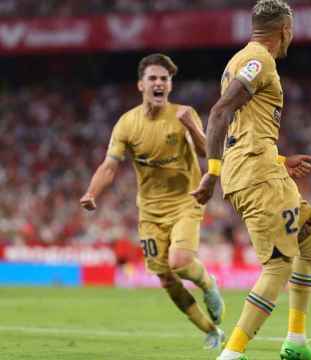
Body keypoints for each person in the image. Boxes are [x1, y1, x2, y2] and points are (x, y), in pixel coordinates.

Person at [190, 1, 311, 359]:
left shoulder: (237, 61)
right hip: (257, 175)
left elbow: (241, 130)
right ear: (284, 28)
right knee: (279, 263)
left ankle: (295, 341)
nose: (292, 36)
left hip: (264, 167)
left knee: (310, 244)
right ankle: (231, 355)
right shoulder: (259, 61)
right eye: (291, 29)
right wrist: (211, 171)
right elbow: (221, 112)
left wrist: (280, 158)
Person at [80, 54, 225, 350]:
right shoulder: (127, 124)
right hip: (149, 211)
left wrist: (193, 128)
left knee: (180, 262)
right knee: (167, 279)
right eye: (153, 79)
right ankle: (211, 331)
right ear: (140, 85)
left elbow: (207, 152)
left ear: (170, 85)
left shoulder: (184, 113)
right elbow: (110, 165)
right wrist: (92, 192)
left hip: (186, 201)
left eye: (164, 79)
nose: (159, 83)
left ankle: (208, 284)